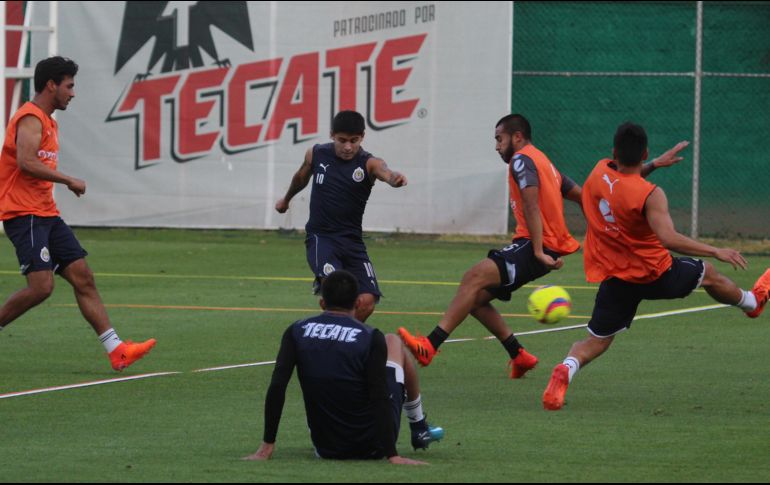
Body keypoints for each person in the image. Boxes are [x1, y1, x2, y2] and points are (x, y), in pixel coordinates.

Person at [398, 114, 688, 378]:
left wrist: (537, 250)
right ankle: (518, 355)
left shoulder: (522, 160)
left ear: (518, 136)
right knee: (473, 297)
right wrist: (648, 167)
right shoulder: (544, 161)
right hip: (544, 245)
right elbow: (587, 194)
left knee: (472, 277)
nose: (497, 146)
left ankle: (430, 345)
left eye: (499, 139)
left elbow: (531, 203)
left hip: (536, 245)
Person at [542, 122, 770, 411]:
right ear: (645, 152)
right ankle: (753, 303)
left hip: (615, 277)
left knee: (596, 341)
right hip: (656, 274)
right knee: (709, 274)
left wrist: (652, 165)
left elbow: (621, 185)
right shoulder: (651, 194)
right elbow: (668, 237)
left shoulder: (599, 172)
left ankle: (566, 368)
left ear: (614, 151)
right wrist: (716, 250)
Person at [0, 56, 156, 371]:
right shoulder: (30, 118)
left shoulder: (49, 121)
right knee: (42, 287)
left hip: (46, 213)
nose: (73, 93)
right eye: (69, 86)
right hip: (24, 214)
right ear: (51, 85)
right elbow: (26, 162)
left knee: (83, 277)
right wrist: (68, 179)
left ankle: (117, 350)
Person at [244, 270, 443, 464]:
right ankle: (418, 426)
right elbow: (379, 394)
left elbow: (278, 386)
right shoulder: (370, 336)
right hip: (374, 447)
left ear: (322, 303)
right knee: (393, 341)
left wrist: (267, 444)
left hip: (325, 447)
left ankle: (416, 428)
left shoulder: (296, 330)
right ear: (357, 303)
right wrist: (392, 454)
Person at [275, 110, 407, 323]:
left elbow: (386, 173)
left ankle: (342, 336)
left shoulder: (369, 163)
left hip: (352, 242)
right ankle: (332, 337)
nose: (348, 147)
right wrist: (286, 199)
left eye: (354, 141)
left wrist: (394, 179)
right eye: (342, 140)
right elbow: (301, 177)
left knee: (366, 301)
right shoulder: (316, 154)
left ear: (362, 137)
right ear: (332, 135)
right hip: (321, 238)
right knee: (335, 291)